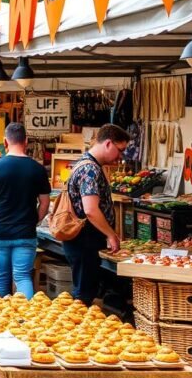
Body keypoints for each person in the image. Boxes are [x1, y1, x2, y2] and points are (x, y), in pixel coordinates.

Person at [0, 122, 51, 297]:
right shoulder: (38, 169)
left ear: (5, 142)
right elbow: (45, 203)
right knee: (22, 277)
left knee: (1, 277)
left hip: (0, 231)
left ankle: (3, 319)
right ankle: (25, 319)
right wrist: (36, 220)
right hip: (26, 232)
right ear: (26, 141)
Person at [63, 124, 129, 304]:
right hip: (85, 240)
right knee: (83, 295)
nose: (120, 157)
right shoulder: (89, 169)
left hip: (84, 240)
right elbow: (91, 210)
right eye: (120, 150)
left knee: (85, 290)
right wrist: (111, 234)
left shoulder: (85, 163)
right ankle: (78, 329)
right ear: (108, 143)